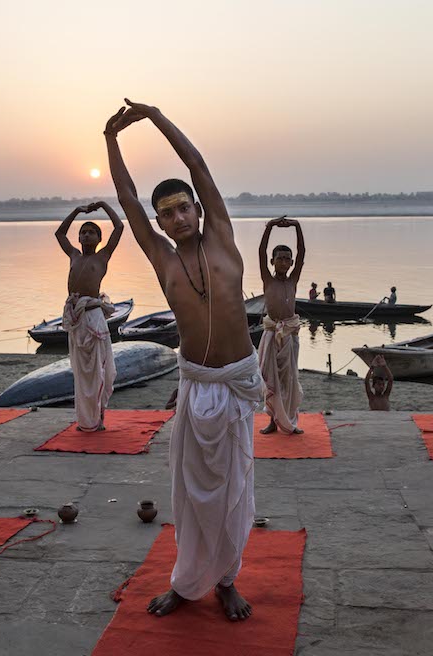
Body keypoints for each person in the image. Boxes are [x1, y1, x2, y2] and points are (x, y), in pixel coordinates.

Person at [106, 99, 262, 621]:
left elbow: (199, 166)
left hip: (236, 381)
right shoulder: (163, 259)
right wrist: (112, 140)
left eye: (183, 208)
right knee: (193, 495)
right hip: (197, 385)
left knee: (234, 493)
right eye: (167, 213)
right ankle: (187, 582)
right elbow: (127, 200)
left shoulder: (224, 241)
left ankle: (226, 581)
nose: (177, 218)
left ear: (198, 209)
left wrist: (153, 117)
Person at [55, 202, 124, 431]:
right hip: (76, 317)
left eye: (91, 232)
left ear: (99, 239)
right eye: (83, 232)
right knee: (81, 372)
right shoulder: (73, 255)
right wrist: (76, 211)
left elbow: (119, 227)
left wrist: (103, 205)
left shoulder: (102, 257)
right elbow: (59, 233)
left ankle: (100, 418)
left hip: (93, 317)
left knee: (99, 370)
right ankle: (85, 418)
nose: (86, 235)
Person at [258, 216, 305, 434]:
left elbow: (302, 252)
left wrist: (297, 226)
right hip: (271, 334)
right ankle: (272, 420)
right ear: (272, 261)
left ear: (292, 263)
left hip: (289, 335)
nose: (284, 262)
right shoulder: (268, 280)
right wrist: (269, 227)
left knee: (289, 380)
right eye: (280, 259)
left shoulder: (293, 280)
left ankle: (290, 420)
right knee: (270, 380)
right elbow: (261, 251)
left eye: (288, 259)